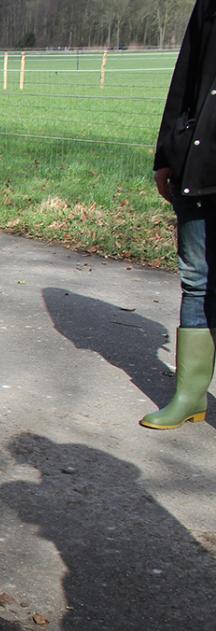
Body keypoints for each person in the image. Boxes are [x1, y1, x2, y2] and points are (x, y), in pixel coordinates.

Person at [146, 0, 216, 429]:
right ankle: (190, 395)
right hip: (198, 161)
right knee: (196, 279)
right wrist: (165, 154)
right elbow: (186, 76)